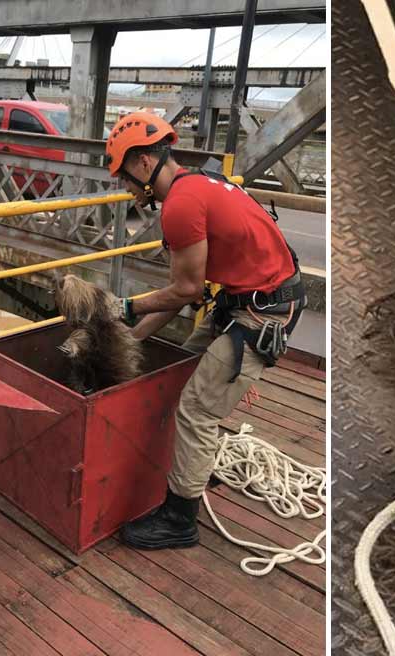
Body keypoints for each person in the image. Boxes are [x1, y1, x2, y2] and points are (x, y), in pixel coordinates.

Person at [103, 112, 306, 550]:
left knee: (197, 408)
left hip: (262, 314)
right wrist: (130, 337)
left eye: (123, 176)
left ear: (142, 163)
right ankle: (195, 465)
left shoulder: (180, 205)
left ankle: (180, 519)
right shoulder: (199, 183)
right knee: (181, 368)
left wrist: (122, 307)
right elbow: (185, 295)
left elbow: (186, 288)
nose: (124, 188)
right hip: (245, 300)